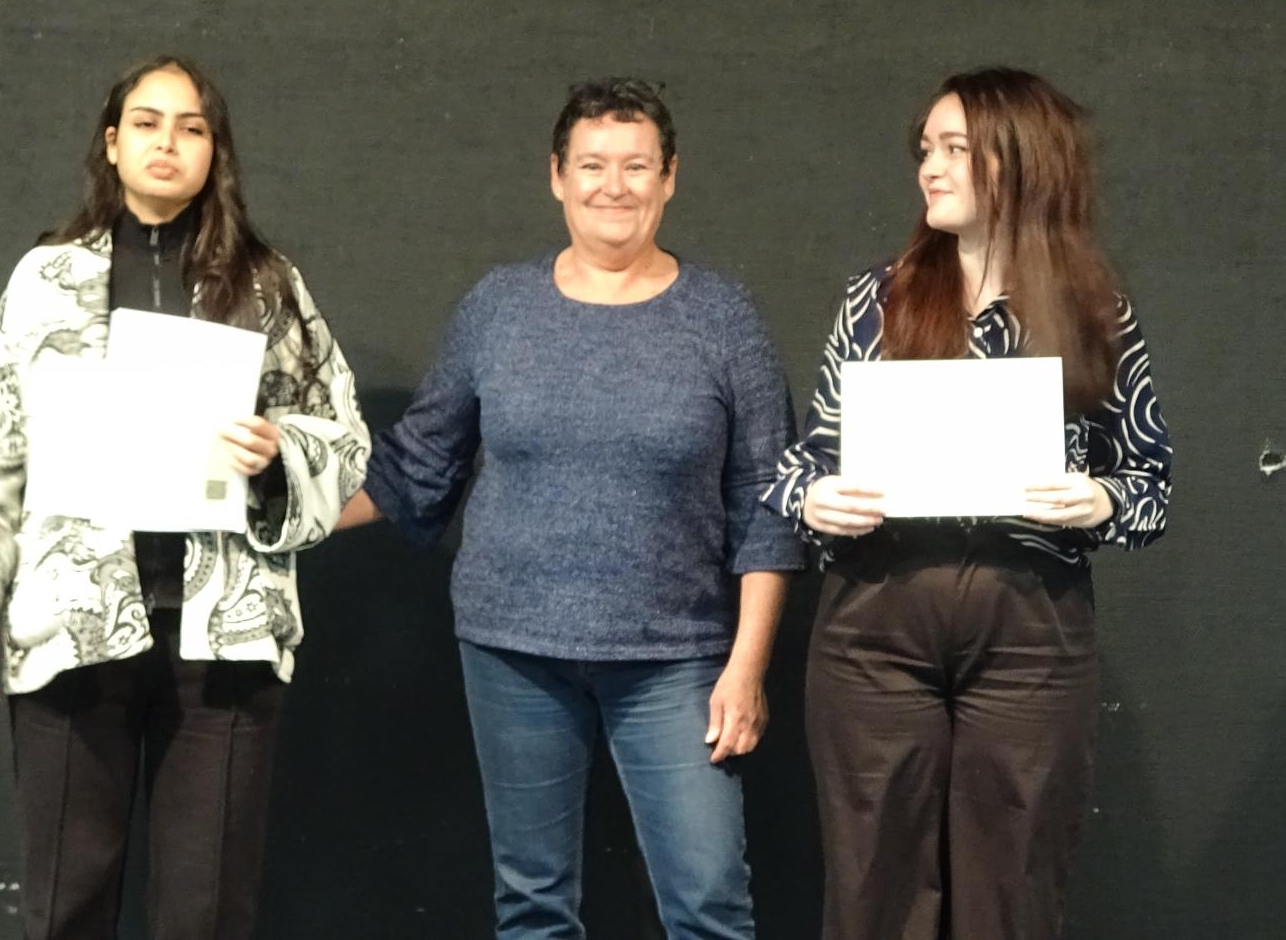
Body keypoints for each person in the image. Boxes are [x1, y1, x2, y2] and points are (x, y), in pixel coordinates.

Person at [334, 78, 804, 939]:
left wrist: (747, 668)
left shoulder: (723, 319)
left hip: (677, 659)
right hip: (512, 651)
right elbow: (418, 464)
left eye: (636, 166)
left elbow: (767, 502)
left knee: (708, 904)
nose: (613, 186)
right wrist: (279, 515)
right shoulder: (499, 307)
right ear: (556, 176)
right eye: (592, 165)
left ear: (670, 177)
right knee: (533, 904)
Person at [0, 54, 368, 939]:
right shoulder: (44, 279)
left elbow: (342, 433)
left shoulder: (266, 283)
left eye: (192, 127)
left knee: (207, 912)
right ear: (112, 142)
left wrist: (278, 451)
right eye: (148, 122)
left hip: (224, 639)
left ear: (216, 151)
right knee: (67, 903)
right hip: (74, 629)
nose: (168, 142)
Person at [763, 67, 1173, 939]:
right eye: (926, 149)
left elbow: (1150, 485)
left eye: (955, 149)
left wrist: (1099, 499)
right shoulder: (878, 297)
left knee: (1012, 888)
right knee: (874, 888)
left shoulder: (1095, 310)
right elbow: (805, 462)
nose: (930, 168)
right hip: (876, 620)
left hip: (1028, 627)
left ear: (1021, 161)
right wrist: (815, 497)